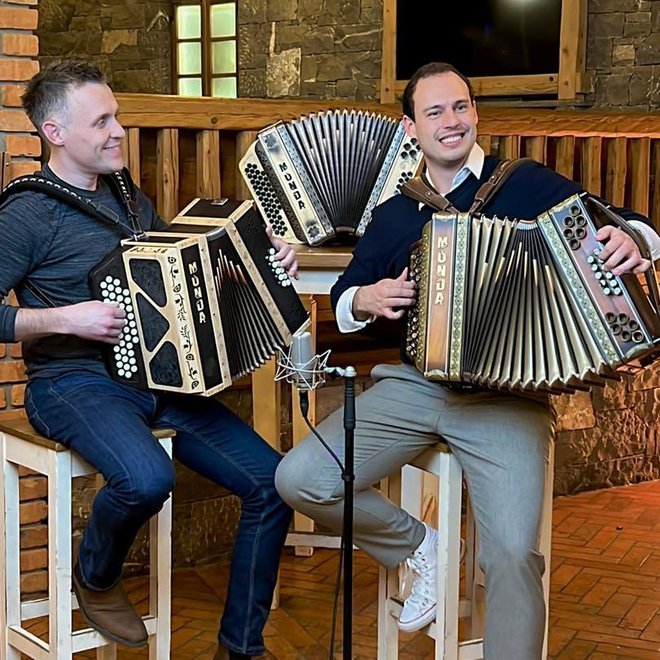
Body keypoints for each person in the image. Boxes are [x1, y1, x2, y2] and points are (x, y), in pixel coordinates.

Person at [275, 61, 660, 659]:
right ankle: (418, 547)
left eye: (460, 107)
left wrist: (636, 237)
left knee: (512, 552)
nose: (451, 123)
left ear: (475, 113)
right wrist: (366, 298)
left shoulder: (526, 185)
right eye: (434, 112)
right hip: (415, 386)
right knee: (300, 478)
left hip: (506, 398)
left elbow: (622, 222)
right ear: (411, 128)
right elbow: (346, 293)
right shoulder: (396, 213)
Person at [0, 60, 297, 660]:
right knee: (146, 479)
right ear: (55, 133)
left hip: (155, 375)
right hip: (71, 381)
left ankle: (241, 647)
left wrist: (265, 262)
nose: (119, 131)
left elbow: (177, 273)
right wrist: (65, 317)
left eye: (118, 116)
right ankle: (98, 575)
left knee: (273, 484)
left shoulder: (126, 195)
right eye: (102, 120)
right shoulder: (24, 213)